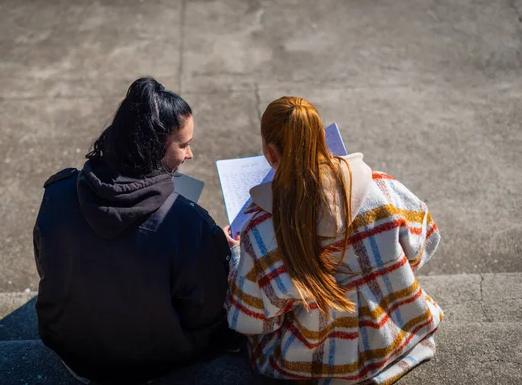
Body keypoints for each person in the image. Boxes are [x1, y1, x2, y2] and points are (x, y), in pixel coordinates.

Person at [224, 96, 443, 384]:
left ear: (270, 153)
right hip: (400, 336)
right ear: (322, 137)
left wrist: (238, 255)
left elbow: (251, 320)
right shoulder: (381, 188)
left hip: (311, 363)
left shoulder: (262, 230)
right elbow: (425, 243)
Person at [33, 77, 233, 385]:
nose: (189, 155)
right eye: (183, 145)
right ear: (153, 147)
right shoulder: (189, 223)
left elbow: (47, 265)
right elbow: (203, 312)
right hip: (149, 365)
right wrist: (214, 250)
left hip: (70, 349)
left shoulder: (57, 194)